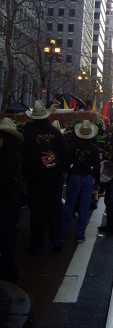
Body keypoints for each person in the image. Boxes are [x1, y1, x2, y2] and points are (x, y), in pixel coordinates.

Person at [22, 100, 66, 253]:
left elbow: (25, 158)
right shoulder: (55, 132)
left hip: (35, 179)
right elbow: (63, 154)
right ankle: (56, 239)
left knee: (36, 211)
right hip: (52, 178)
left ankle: (37, 242)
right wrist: (58, 169)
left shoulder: (28, 134)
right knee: (53, 208)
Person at [61, 120, 100, 243]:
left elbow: (65, 162)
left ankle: (62, 233)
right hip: (87, 178)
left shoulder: (72, 146)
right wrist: (97, 182)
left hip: (74, 177)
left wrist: (71, 170)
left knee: (69, 205)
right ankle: (80, 234)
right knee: (84, 207)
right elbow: (97, 167)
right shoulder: (94, 149)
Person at [0, 118, 24, 282]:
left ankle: (7, 269)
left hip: (5, 200)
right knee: (10, 236)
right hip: (13, 198)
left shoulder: (7, 157)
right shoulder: (16, 154)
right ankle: (9, 269)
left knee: (6, 235)